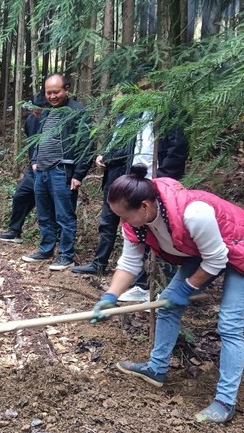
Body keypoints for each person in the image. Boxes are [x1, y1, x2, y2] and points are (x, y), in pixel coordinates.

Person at [91, 164, 244, 423]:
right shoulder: (135, 224)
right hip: (202, 251)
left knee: (229, 324)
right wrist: (110, 297)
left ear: (144, 206)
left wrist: (187, 289)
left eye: (125, 216)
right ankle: (156, 369)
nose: (122, 222)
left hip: (243, 245)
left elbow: (217, 260)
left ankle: (225, 402)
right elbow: (129, 264)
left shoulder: (193, 213)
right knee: (167, 307)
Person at [72, 98, 189, 299]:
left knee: (157, 232)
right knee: (128, 228)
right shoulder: (130, 116)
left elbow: (177, 151)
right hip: (131, 179)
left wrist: (161, 181)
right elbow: (124, 149)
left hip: (155, 182)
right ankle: (139, 282)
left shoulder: (170, 113)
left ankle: (161, 285)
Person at [22, 73, 93, 271]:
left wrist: (79, 174)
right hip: (42, 171)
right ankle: (46, 249)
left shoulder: (77, 111)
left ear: (66, 90)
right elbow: (38, 139)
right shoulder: (45, 112)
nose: (52, 96)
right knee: (44, 214)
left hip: (63, 171)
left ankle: (66, 255)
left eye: (56, 92)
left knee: (65, 215)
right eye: (48, 93)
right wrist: (35, 161)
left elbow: (87, 145)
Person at [0, 96, 48, 243]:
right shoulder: (31, 120)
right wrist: (33, 160)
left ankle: (53, 240)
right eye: (33, 108)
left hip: (50, 167)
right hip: (33, 169)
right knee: (21, 195)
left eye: (38, 108)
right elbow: (31, 142)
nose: (35, 111)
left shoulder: (53, 120)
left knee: (49, 204)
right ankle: (14, 230)